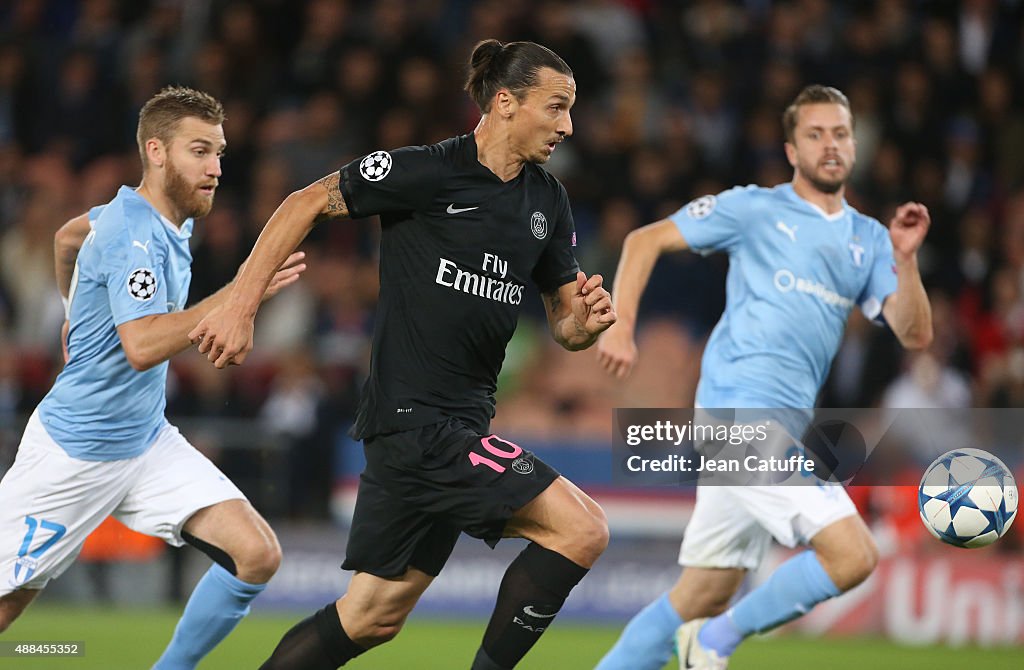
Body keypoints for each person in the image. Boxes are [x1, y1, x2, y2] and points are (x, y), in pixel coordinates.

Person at [189, 40, 616, 670]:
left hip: (456, 425)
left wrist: (588, 321)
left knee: (370, 618)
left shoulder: (546, 201)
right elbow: (303, 201)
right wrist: (240, 305)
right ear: (505, 102)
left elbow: (566, 326)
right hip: (419, 425)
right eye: (556, 108)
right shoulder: (427, 172)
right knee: (583, 529)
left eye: (570, 111)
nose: (568, 126)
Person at [595, 85, 933, 669]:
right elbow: (644, 239)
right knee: (853, 555)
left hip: (778, 425)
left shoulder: (870, 239)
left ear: (855, 145)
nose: (830, 145)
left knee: (703, 592)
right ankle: (716, 640)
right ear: (790, 149)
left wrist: (905, 259)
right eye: (815, 134)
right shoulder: (754, 208)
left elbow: (915, 333)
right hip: (738, 416)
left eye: (840, 133)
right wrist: (620, 326)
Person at [0, 86, 306, 670]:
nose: (215, 169)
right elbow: (140, 347)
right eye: (200, 152)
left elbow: (68, 237)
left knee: (256, 554)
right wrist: (240, 292)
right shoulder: (133, 233)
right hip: (73, 455)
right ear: (157, 152)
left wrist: (74, 311)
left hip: (144, 441)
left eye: (219, 153)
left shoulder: (159, 218)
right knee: (8, 612)